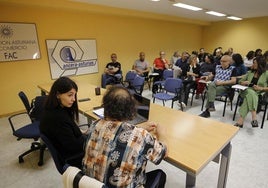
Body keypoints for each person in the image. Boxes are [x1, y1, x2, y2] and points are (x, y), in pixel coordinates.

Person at [82, 86, 167, 188]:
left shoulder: (95, 124)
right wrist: (162, 134)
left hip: (92, 184)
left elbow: (115, 132)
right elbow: (162, 153)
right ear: (130, 109)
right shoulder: (141, 135)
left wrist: (136, 128)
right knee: (160, 175)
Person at [40, 77, 87, 168]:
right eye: (70, 95)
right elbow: (73, 147)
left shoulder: (55, 108)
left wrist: (81, 131)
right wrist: (91, 140)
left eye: (74, 95)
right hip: (74, 158)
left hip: (67, 150)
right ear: (58, 94)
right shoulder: (57, 119)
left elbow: (69, 127)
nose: (73, 99)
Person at [234, 56, 268, 128]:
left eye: (255, 63)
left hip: (258, 94)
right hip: (245, 91)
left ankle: (240, 121)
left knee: (249, 97)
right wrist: (243, 82)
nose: (253, 64)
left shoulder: (266, 74)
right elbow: (240, 81)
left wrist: (261, 88)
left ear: (260, 64)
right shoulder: (250, 72)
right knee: (250, 91)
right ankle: (254, 117)